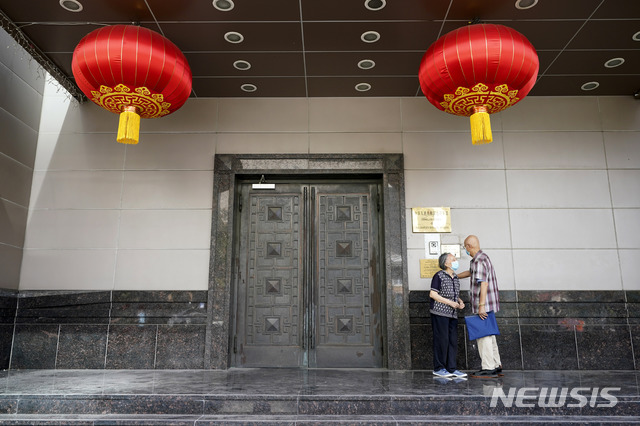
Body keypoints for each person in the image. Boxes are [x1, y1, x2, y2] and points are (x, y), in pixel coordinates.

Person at [458, 235, 502, 378]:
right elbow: (471, 273)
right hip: (490, 303)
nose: (465, 250)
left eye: (465, 247)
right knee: (490, 334)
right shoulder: (482, 258)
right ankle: (496, 365)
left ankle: (488, 367)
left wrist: (481, 306)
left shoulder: (478, 261)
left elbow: (483, 283)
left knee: (483, 336)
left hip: (484, 304)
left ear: (470, 246)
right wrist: (455, 276)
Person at [429, 252, 467, 379]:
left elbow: (454, 294)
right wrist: (450, 302)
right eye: (453, 259)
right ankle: (439, 368)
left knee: (452, 341)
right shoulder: (438, 276)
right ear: (446, 263)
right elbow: (433, 294)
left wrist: (460, 302)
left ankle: (451, 368)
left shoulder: (455, 277)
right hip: (440, 313)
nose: (456, 261)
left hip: (452, 314)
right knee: (442, 340)